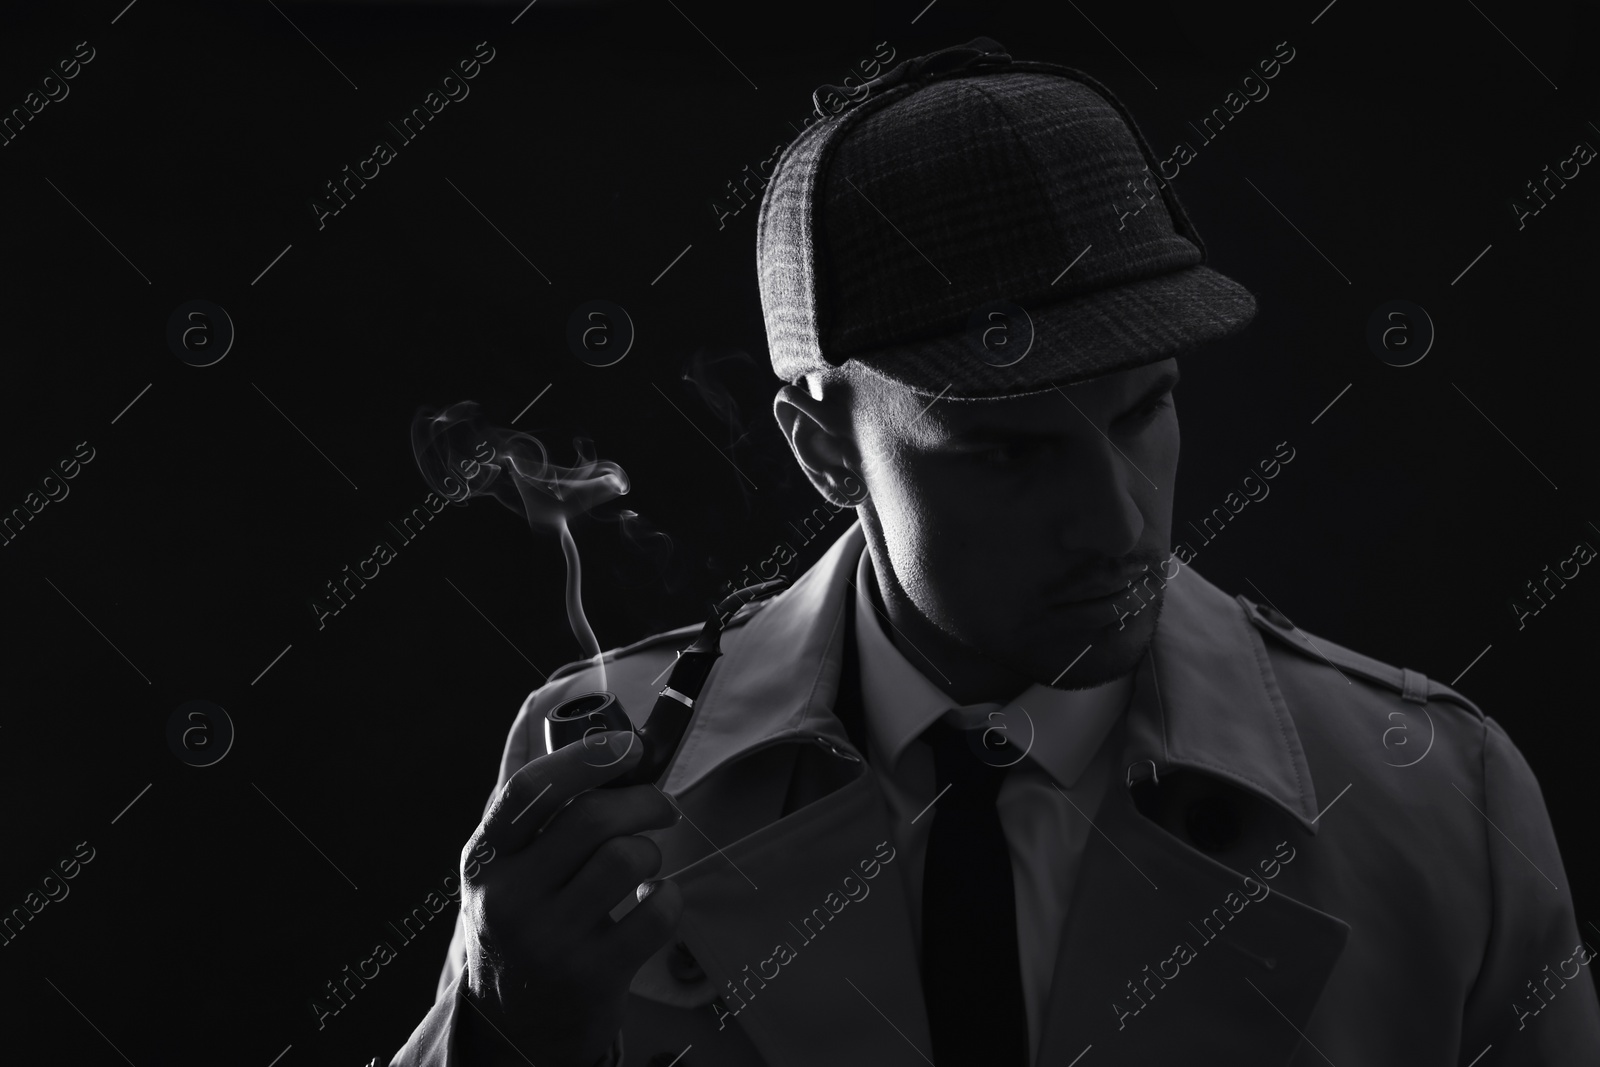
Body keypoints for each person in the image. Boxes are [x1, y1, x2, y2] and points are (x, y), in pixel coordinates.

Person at [393, 37, 1599, 1067]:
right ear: (824, 452)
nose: (1121, 522)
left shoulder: (1435, 797)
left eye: (1141, 411)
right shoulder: (597, 767)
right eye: (1008, 454)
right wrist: (499, 1036)